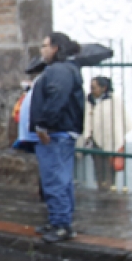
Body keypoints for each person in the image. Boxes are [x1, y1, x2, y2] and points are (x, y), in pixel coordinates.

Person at [30, 32, 85, 243]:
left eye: (44, 45)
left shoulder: (59, 70)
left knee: (55, 180)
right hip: (60, 132)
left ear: (55, 48)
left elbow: (56, 97)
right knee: (60, 179)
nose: (42, 50)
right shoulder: (65, 69)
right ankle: (58, 220)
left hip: (56, 134)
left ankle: (61, 224)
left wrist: (43, 125)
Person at [83, 76, 129, 191]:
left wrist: (120, 136)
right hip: (95, 139)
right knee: (98, 167)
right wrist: (87, 135)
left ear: (104, 88)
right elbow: (87, 118)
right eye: (91, 88)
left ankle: (110, 187)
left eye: (94, 88)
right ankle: (101, 187)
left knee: (111, 167)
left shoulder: (114, 100)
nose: (92, 90)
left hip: (113, 138)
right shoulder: (89, 100)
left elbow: (120, 119)